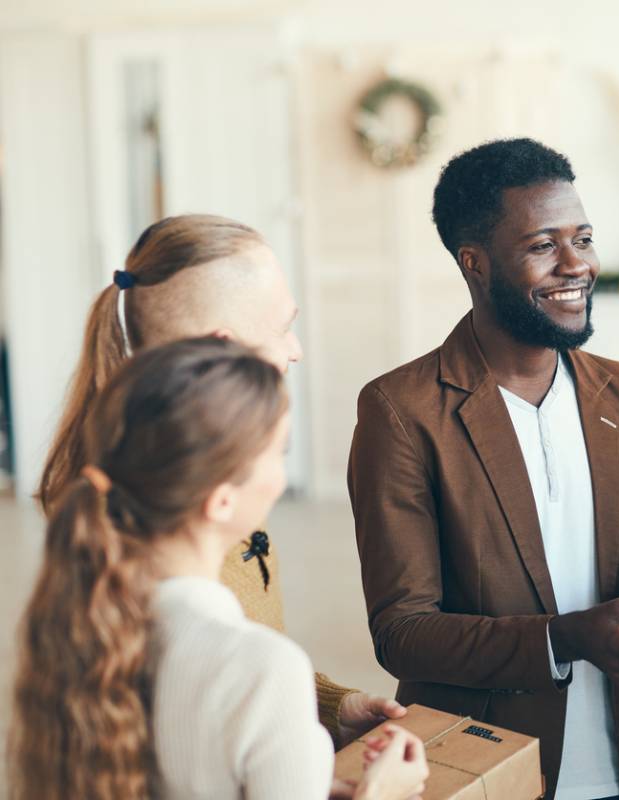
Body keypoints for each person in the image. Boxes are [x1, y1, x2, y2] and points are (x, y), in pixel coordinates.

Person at [348, 137, 619, 800]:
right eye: (543, 245)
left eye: (583, 238)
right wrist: (561, 639)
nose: (576, 265)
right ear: (475, 262)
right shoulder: (402, 411)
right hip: (483, 763)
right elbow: (403, 633)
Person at [36, 215, 402, 754]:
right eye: (282, 327)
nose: (295, 348)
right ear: (224, 349)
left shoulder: (193, 474)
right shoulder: (172, 526)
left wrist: (327, 705)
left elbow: (237, 669)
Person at [10, 337, 429, 800]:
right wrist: (380, 793)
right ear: (222, 500)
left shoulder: (76, 628)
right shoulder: (263, 667)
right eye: (278, 453)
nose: (280, 479)